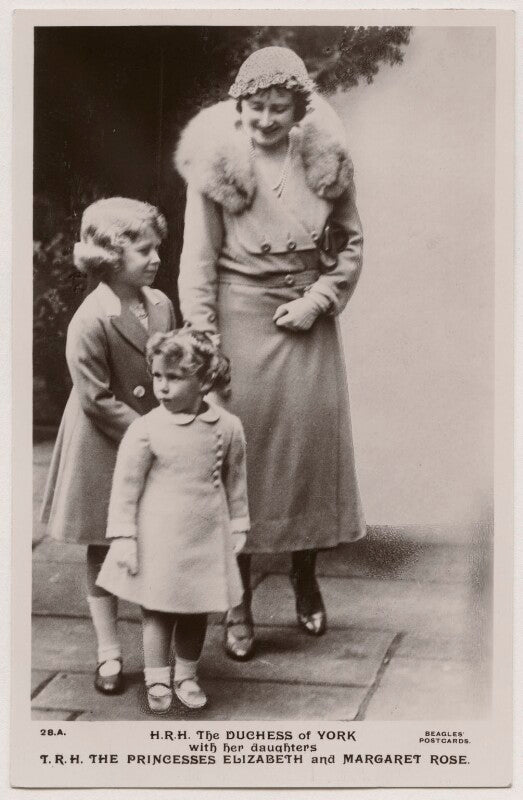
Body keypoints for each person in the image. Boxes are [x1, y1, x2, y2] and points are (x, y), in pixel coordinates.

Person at [174, 46, 366, 662]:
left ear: (298, 108)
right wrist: (205, 344)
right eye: (254, 108)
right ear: (240, 106)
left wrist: (319, 299)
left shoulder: (326, 161)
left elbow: (352, 246)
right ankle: (238, 601)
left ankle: (304, 576)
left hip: (306, 324)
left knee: (307, 457)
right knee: (240, 464)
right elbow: (196, 265)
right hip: (239, 323)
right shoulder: (218, 165)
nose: (264, 120)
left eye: (277, 109)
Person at [40, 197, 176, 695]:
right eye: (144, 250)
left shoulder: (160, 304)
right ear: (110, 258)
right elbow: (96, 399)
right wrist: (150, 433)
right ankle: (108, 652)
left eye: (156, 247)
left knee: (152, 540)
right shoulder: (91, 318)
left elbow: (172, 363)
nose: (156, 257)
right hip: (106, 442)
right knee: (104, 543)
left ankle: (156, 656)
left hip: (153, 435)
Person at [96, 329, 249, 713]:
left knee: (197, 608)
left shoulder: (228, 427)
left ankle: (186, 674)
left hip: (205, 533)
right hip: (159, 535)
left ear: (205, 380)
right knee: (158, 608)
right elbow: (126, 487)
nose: (162, 387)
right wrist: (125, 537)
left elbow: (236, 479)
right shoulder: (146, 429)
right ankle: (157, 677)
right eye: (158, 376)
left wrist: (240, 523)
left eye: (175, 377)